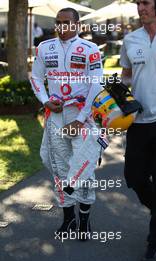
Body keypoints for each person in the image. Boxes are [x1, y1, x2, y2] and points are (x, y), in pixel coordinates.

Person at [30, 8, 103, 240]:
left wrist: (81, 120)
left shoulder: (90, 50)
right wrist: (46, 101)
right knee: (58, 166)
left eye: (66, 22)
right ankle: (68, 217)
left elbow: (95, 85)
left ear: (77, 24)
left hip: (82, 115)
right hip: (56, 115)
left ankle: (84, 220)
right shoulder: (44, 48)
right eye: (58, 23)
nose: (62, 27)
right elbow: (36, 78)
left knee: (84, 168)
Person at [120, 0, 156, 261]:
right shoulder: (130, 40)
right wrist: (118, 97)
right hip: (138, 123)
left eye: (146, 3)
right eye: (138, 3)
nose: (141, 8)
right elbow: (126, 75)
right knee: (134, 178)